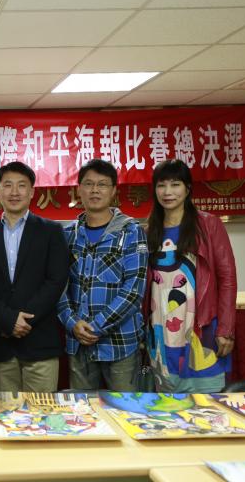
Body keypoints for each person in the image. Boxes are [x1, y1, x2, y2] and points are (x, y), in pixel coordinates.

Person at [0, 161, 69, 393]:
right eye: (7, 185)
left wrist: (23, 321)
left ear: (32, 191)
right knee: (5, 413)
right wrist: (7, 321)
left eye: (21, 185)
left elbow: (56, 281)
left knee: (42, 413)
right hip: (1, 344)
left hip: (40, 342)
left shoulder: (52, 231)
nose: (14, 192)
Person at [143, 159, 236, 393]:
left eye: (175, 184)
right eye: (161, 185)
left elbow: (227, 279)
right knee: (168, 404)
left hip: (201, 325)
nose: (168, 192)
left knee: (208, 403)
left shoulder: (209, 225)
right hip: (160, 327)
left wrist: (225, 329)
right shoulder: (148, 231)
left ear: (188, 188)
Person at [57, 159, 147, 391]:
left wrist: (96, 326)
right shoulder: (67, 234)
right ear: (79, 189)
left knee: (125, 409)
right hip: (78, 342)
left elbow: (134, 290)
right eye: (88, 184)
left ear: (114, 190)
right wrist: (72, 323)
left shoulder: (131, 231)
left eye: (102, 184)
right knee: (82, 410)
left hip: (120, 344)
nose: (94, 190)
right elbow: (57, 287)